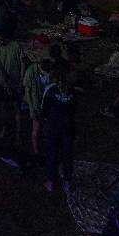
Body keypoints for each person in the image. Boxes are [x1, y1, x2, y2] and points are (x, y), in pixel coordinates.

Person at [40, 62, 76, 194]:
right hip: (68, 127)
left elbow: (43, 109)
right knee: (67, 155)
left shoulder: (50, 90)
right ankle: (67, 182)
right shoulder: (72, 91)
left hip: (53, 127)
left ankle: (51, 182)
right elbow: (74, 109)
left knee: (52, 154)